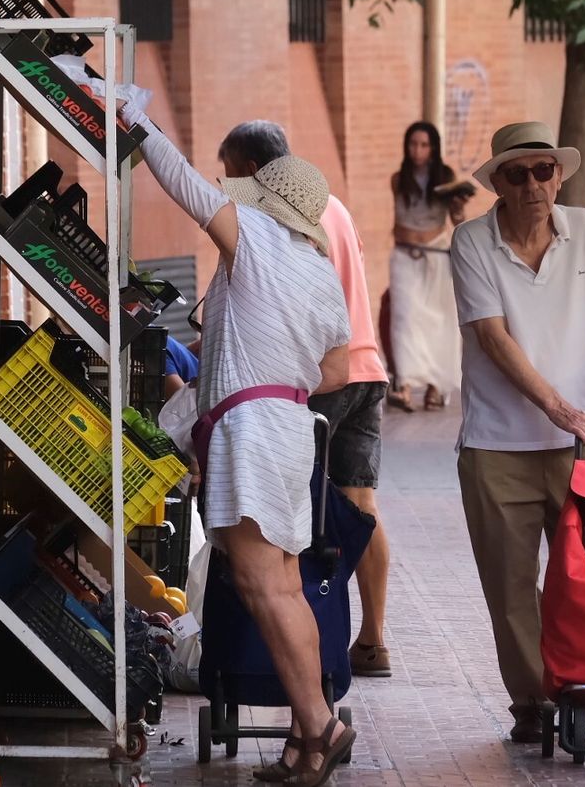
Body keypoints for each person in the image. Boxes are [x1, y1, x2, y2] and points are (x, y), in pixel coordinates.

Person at [120, 100, 357, 786]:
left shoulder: (252, 237)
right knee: (285, 583)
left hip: (250, 433)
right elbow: (338, 368)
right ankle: (304, 737)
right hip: (288, 429)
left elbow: (192, 191)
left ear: (260, 200)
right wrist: (281, 375)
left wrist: (142, 125)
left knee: (263, 584)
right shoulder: (316, 267)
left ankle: (321, 724)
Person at [448, 121, 585, 743]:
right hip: (499, 446)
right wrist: (555, 406)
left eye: (544, 170)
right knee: (512, 587)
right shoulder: (471, 242)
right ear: (499, 183)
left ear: (559, 175)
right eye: (517, 173)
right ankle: (536, 703)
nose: (534, 184)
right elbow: (492, 337)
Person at [218, 120, 395, 681]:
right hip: (368, 367)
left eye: (230, 175)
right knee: (361, 506)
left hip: (323, 374)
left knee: (301, 520)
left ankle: (305, 632)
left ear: (251, 171)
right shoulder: (335, 207)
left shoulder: (276, 219)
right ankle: (372, 638)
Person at [388, 121, 471, 412]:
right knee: (405, 318)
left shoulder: (445, 177)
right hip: (404, 255)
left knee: (439, 321)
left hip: (436, 253)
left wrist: (459, 204)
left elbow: (457, 220)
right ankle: (405, 385)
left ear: (433, 148)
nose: (417, 151)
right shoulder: (399, 179)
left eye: (424, 145)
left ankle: (437, 387)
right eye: (413, 144)